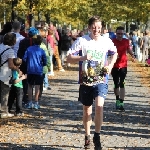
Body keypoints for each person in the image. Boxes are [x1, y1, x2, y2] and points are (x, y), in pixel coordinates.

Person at [67, 16, 118, 150]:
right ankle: (87, 135)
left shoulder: (106, 41)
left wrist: (111, 66)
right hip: (86, 80)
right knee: (87, 110)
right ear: (89, 27)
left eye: (99, 27)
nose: (96, 30)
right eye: (94, 27)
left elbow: (114, 53)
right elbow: (68, 58)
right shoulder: (82, 41)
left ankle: (97, 135)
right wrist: (83, 57)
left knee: (99, 106)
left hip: (101, 79)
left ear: (102, 28)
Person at [111, 26, 135, 111]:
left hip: (123, 65)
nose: (120, 35)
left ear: (123, 34)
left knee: (122, 83)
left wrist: (132, 55)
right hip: (114, 65)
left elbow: (128, 49)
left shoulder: (126, 41)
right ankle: (117, 99)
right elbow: (108, 51)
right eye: (118, 33)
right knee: (116, 84)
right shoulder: (112, 41)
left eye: (121, 34)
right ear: (116, 33)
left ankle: (121, 102)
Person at [23, 35, 47, 110]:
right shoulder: (41, 50)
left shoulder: (29, 49)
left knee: (30, 86)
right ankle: (36, 102)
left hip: (30, 69)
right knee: (37, 86)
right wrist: (42, 64)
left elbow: (24, 58)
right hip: (38, 70)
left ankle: (30, 102)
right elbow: (45, 61)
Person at [17, 27, 39, 105]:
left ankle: (25, 98)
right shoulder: (37, 42)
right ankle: (35, 99)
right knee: (35, 82)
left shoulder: (23, 41)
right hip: (34, 64)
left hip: (24, 63)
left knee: (25, 81)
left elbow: (19, 53)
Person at [0, 32, 18, 118]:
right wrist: (17, 69)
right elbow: (11, 65)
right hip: (4, 74)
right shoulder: (10, 51)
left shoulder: (0, 46)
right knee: (4, 93)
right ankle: (3, 112)